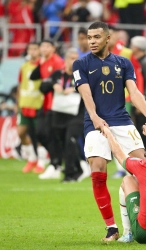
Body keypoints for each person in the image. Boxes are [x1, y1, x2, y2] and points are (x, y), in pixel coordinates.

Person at [72, 21, 146, 242]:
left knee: (144, 171)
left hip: (122, 122)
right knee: (98, 169)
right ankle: (111, 228)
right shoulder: (80, 64)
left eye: (96, 37)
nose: (91, 41)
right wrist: (95, 117)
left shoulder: (124, 62)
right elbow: (86, 95)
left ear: (108, 38)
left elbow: (134, 92)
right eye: (89, 37)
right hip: (95, 124)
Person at [39, 48, 89, 182]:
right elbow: (42, 88)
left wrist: (74, 89)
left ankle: (69, 174)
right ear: (66, 60)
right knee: (61, 143)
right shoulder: (57, 75)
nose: (75, 61)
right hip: (59, 114)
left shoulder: (82, 75)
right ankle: (77, 169)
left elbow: (90, 91)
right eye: (72, 58)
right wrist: (53, 84)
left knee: (70, 141)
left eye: (76, 58)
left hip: (77, 115)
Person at [108, 27, 145, 179]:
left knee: (126, 135)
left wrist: (138, 99)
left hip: (125, 100)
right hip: (106, 101)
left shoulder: (127, 53)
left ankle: (129, 166)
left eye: (111, 34)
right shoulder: (99, 55)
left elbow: (138, 77)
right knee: (112, 135)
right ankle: (123, 167)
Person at [30, 39, 65, 173]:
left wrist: (47, 84)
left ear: (53, 48)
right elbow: (34, 77)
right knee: (40, 133)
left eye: (47, 46)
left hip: (55, 103)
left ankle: (56, 163)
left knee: (50, 134)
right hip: (45, 103)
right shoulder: (42, 61)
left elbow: (59, 80)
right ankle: (55, 160)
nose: (44, 49)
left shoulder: (57, 62)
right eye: (42, 47)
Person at [17, 42, 44, 173]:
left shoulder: (42, 66)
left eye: (35, 49)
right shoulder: (24, 67)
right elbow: (20, 85)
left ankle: (42, 162)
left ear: (39, 51)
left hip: (38, 105)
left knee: (39, 135)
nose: (32, 51)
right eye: (30, 49)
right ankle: (32, 158)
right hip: (24, 104)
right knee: (21, 133)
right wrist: (18, 103)